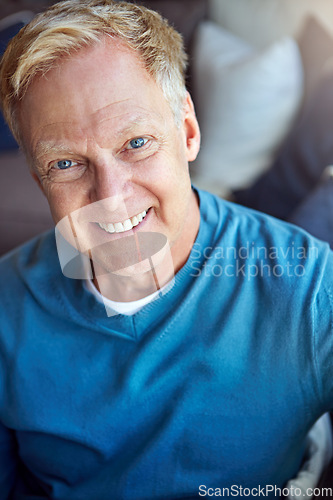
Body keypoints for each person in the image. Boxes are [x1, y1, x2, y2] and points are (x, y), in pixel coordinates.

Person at [0, 0, 333, 498]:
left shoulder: (309, 291)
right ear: (38, 178)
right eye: (66, 163)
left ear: (188, 131)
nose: (110, 197)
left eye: (136, 143)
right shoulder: (6, 311)